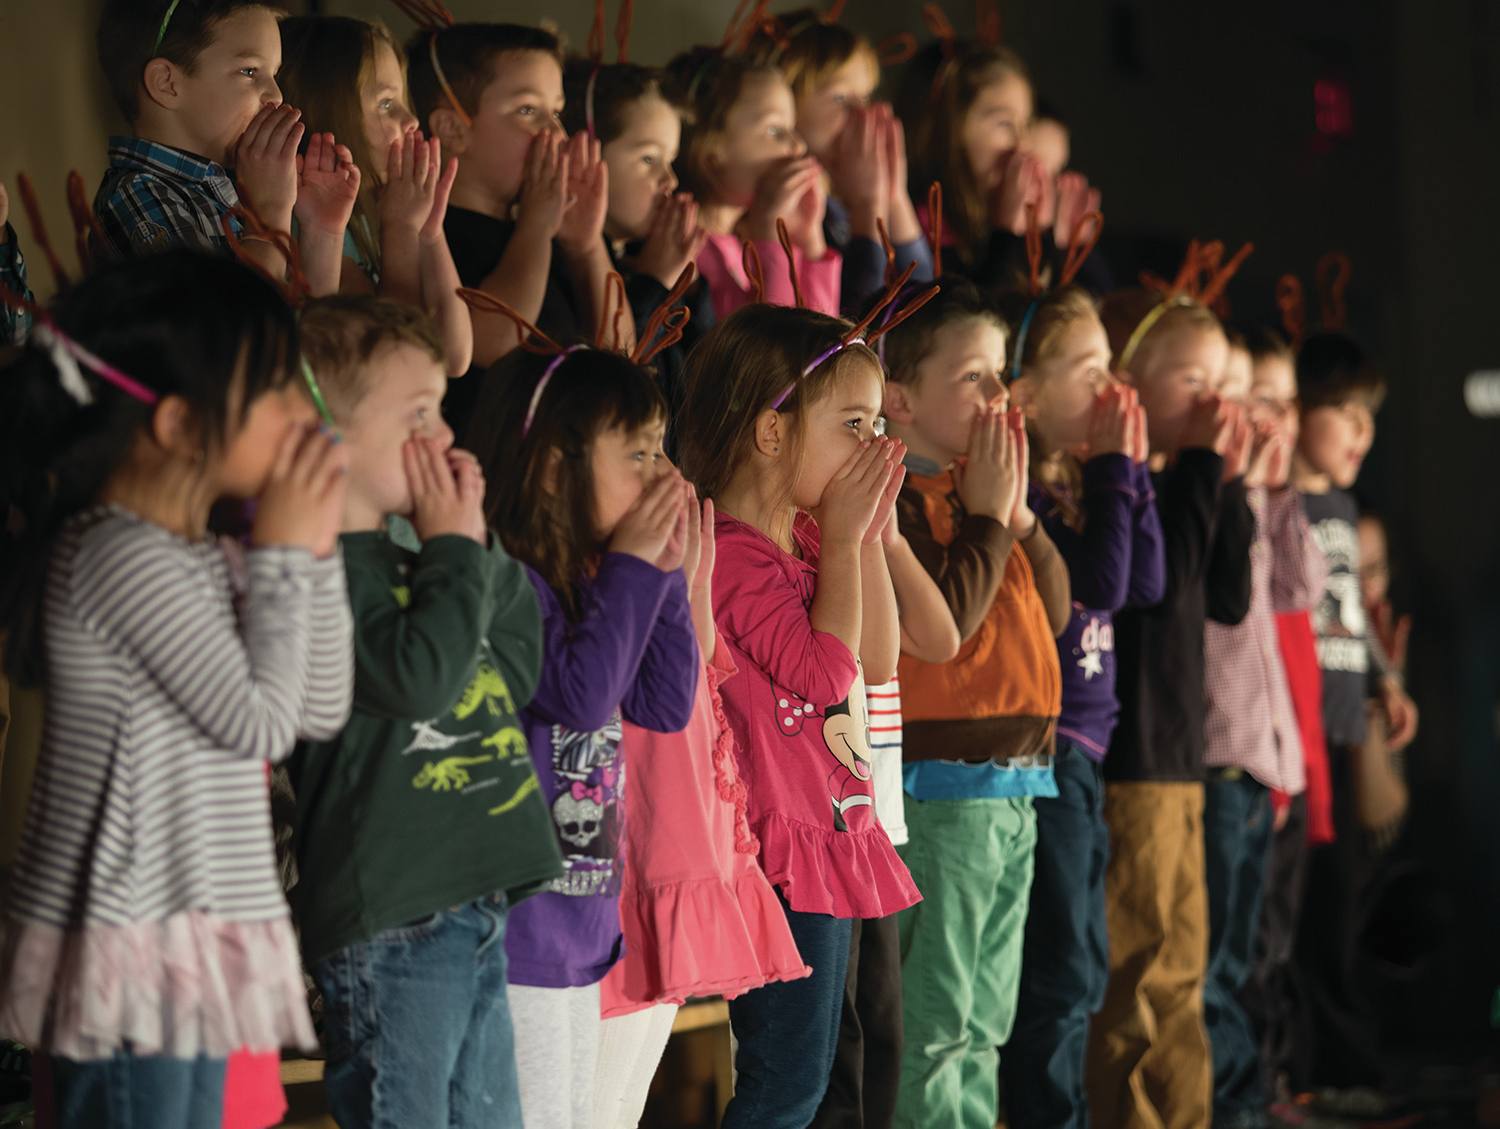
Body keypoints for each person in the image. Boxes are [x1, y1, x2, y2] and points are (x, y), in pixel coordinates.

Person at [0, 251, 352, 1128]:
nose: (300, 415)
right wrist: (282, 555)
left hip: (188, 932)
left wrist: (311, 554)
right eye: (274, 392)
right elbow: (262, 722)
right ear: (176, 425)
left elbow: (317, 706)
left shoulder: (200, 554)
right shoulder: (117, 553)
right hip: (134, 939)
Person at [677, 304, 921, 1127]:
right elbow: (824, 674)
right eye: (854, 424)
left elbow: (880, 658)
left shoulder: (813, 540)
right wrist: (848, 538)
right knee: (784, 1085)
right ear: (772, 433)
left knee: (810, 1080)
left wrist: (868, 538)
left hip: (826, 835)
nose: (874, 446)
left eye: (879, 424)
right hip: (780, 848)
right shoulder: (734, 551)